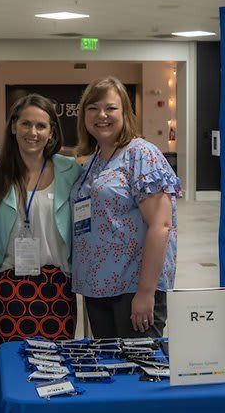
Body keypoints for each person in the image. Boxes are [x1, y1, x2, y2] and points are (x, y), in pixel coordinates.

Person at [71, 76, 181, 338]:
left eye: (110, 108)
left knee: (138, 373)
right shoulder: (94, 161)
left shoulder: (141, 154)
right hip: (97, 288)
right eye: (93, 108)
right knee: (111, 372)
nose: (102, 115)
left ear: (125, 113)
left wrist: (145, 292)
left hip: (133, 287)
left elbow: (161, 225)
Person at [0, 94, 83, 349]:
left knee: (58, 367)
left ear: (52, 132)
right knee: (13, 365)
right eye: (26, 124)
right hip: (10, 285)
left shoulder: (70, 170)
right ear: (14, 127)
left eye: (41, 126)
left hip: (57, 286)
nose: (33, 132)